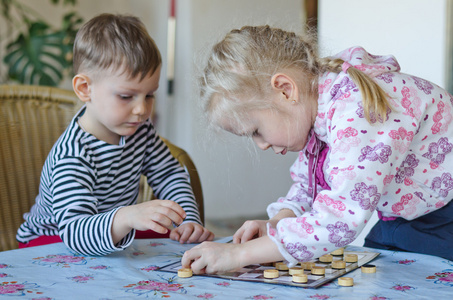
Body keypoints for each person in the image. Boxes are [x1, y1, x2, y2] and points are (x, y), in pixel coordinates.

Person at [182, 25, 453, 274]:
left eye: (256, 131)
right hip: (407, 217)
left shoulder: (355, 111)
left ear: (286, 90)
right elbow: (311, 187)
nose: (261, 144)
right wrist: (278, 222)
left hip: (444, 217)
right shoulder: (321, 112)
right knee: (376, 274)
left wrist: (240, 253)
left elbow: (339, 218)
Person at [16, 13, 214, 256]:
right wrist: (126, 216)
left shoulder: (140, 131)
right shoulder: (72, 157)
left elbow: (168, 173)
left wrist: (187, 220)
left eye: (149, 95)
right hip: (51, 242)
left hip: (111, 231)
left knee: (170, 241)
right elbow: (75, 232)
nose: (142, 110)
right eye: (126, 96)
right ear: (85, 89)